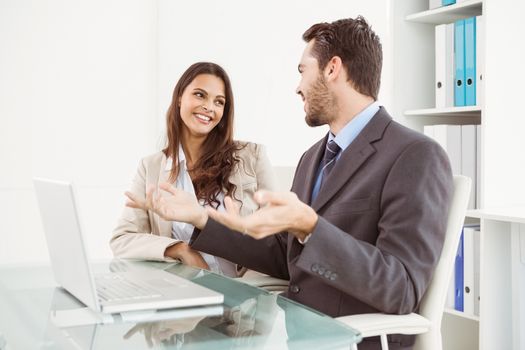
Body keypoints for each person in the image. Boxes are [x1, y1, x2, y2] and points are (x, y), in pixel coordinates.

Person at [139, 18, 453, 350]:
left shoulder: (415, 155)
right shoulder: (313, 156)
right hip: (296, 334)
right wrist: (202, 219)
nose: (298, 85)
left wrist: (310, 227)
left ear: (333, 69)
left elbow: (400, 288)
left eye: (303, 70)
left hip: (352, 341)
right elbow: (286, 256)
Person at [110, 62, 276, 277]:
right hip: (186, 294)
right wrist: (179, 249)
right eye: (200, 95)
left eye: (219, 102)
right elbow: (122, 239)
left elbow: (277, 240)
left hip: (244, 297)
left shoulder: (252, 157)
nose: (209, 107)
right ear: (180, 97)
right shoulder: (151, 167)